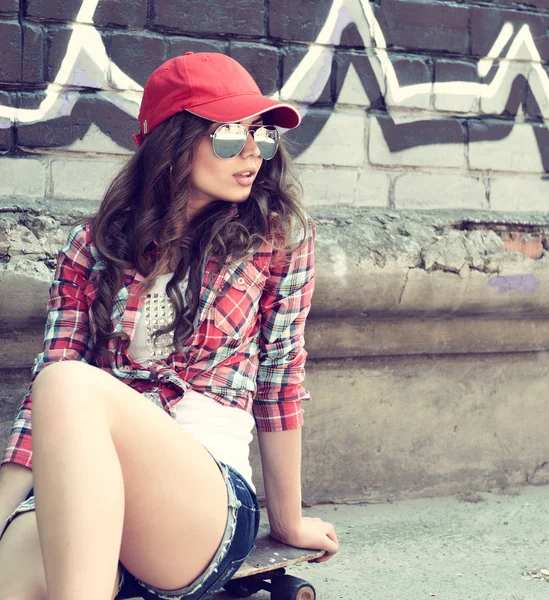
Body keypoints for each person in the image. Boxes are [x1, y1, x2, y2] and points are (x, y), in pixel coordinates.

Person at [0, 52, 339, 600]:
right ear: (172, 143)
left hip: (200, 496)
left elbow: (280, 377)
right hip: (82, 493)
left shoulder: (277, 238)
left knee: (64, 382)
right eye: (230, 138)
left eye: (262, 137)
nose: (252, 155)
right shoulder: (94, 247)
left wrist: (289, 521)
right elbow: (43, 409)